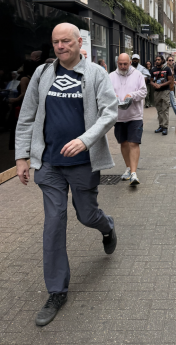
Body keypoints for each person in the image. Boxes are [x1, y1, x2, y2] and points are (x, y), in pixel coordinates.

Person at [15, 23, 118, 327]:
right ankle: (57, 291)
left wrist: (85, 140)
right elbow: (28, 115)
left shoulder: (96, 74)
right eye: (55, 42)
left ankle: (107, 227)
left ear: (78, 42)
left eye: (66, 42)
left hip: (84, 163)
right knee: (54, 223)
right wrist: (22, 156)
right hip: (49, 164)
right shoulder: (43, 74)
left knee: (86, 215)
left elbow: (109, 112)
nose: (60, 47)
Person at [109, 53, 147, 185]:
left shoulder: (138, 75)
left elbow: (143, 91)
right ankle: (128, 168)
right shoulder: (111, 76)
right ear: (117, 63)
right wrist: (113, 96)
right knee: (124, 143)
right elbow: (106, 92)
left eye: (125, 64)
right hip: (118, 116)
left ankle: (134, 173)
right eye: (120, 64)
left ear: (130, 62)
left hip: (135, 115)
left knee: (133, 143)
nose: (123, 66)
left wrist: (132, 95)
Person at [150, 55, 173, 135]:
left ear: (162, 60)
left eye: (159, 60)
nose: (157, 61)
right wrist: (154, 84)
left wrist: (161, 85)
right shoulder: (153, 70)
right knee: (159, 110)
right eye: (156, 60)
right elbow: (151, 81)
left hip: (165, 91)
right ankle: (161, 126)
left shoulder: (167, 69)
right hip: (156, 92)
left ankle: (165, 127)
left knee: (165, 109)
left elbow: (170, 80)